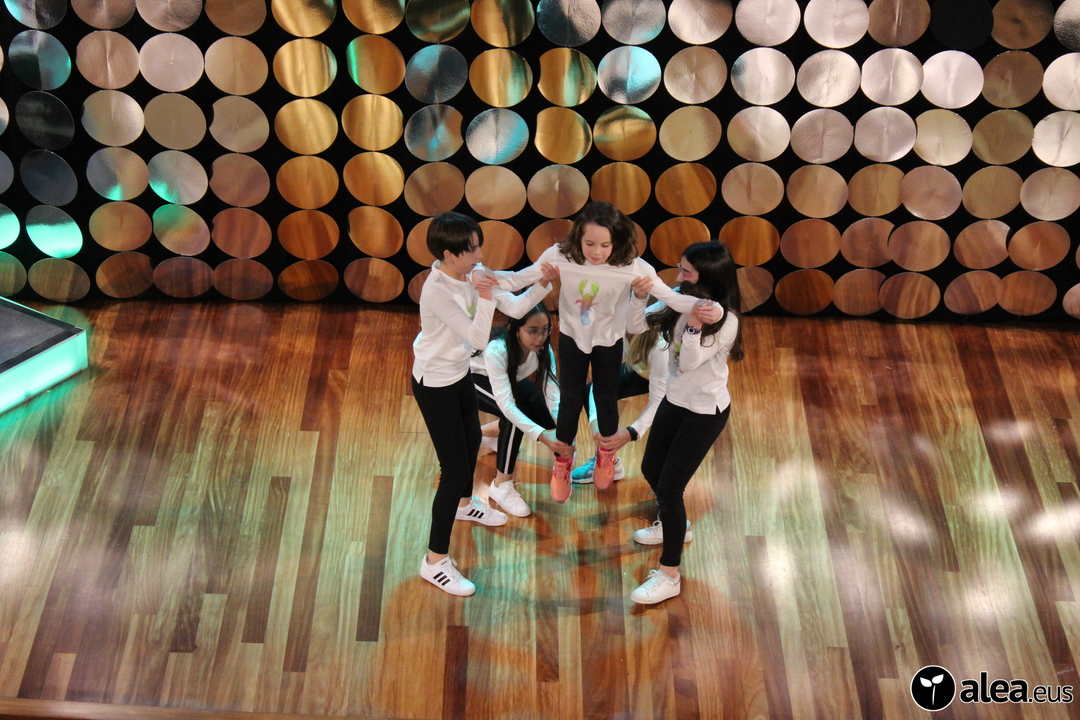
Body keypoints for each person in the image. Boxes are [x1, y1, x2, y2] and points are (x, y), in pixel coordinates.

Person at [490, 201, 714, 502]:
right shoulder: (560, 254)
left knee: (605, 398)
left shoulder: (633, 266)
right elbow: (518, 279)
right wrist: (480, 275)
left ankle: (606, 454)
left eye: (605, 245)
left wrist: (710, 308)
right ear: (579, 238)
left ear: (616, 241)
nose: (596, 252)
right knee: (570, 400)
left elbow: (672, 298)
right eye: (590, 244)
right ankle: (563, 460)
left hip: (609, 341)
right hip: (572, 338)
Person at [412, 212, 553, 597]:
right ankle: (435, 561)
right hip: (434, 384)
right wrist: (488, 295)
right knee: (454, 469)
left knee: (473, 439)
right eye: (472, 250)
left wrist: (544, 279)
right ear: (449, 254)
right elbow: (477, 336)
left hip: (457, 374)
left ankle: (464, 505)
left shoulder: (469, 273)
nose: (479, 255)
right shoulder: (437, 291)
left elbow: (517, 295)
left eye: (478, 247)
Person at [625, 240, 744, 604]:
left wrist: (693, 326)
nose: (678, 277)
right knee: (651, 468)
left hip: (705, 413)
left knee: (670, 489)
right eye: (679, 269)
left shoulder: (727, 320)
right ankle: (674, 524)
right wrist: (639, 297)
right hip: (675, 401)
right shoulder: (680, 298)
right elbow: (634, 325)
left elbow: (690, 363)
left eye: (686, 272)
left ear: (707, 276)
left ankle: (669, 575)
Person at [472, 304, 571, 517]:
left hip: (505, 380)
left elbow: (552, 393)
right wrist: (542, 436)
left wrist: (561, 433)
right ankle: (501, 485)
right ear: (516, 329)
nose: (540, 337)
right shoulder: (497, 350)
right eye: (532, 331)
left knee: (543, 415)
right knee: (514, 417)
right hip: (470, 379)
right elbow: (507, 406)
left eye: (545, 330)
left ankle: (482, 435)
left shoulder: (543, 349)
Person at [570, 325, 667, 484]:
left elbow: (659, 401)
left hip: (679, 384)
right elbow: (600, 384)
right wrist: (597, 425)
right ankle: (609, 461)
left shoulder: (660, 347)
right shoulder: (616, 327)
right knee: (591, 391)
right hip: (644, 371)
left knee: (664, 434)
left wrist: (630, 433)